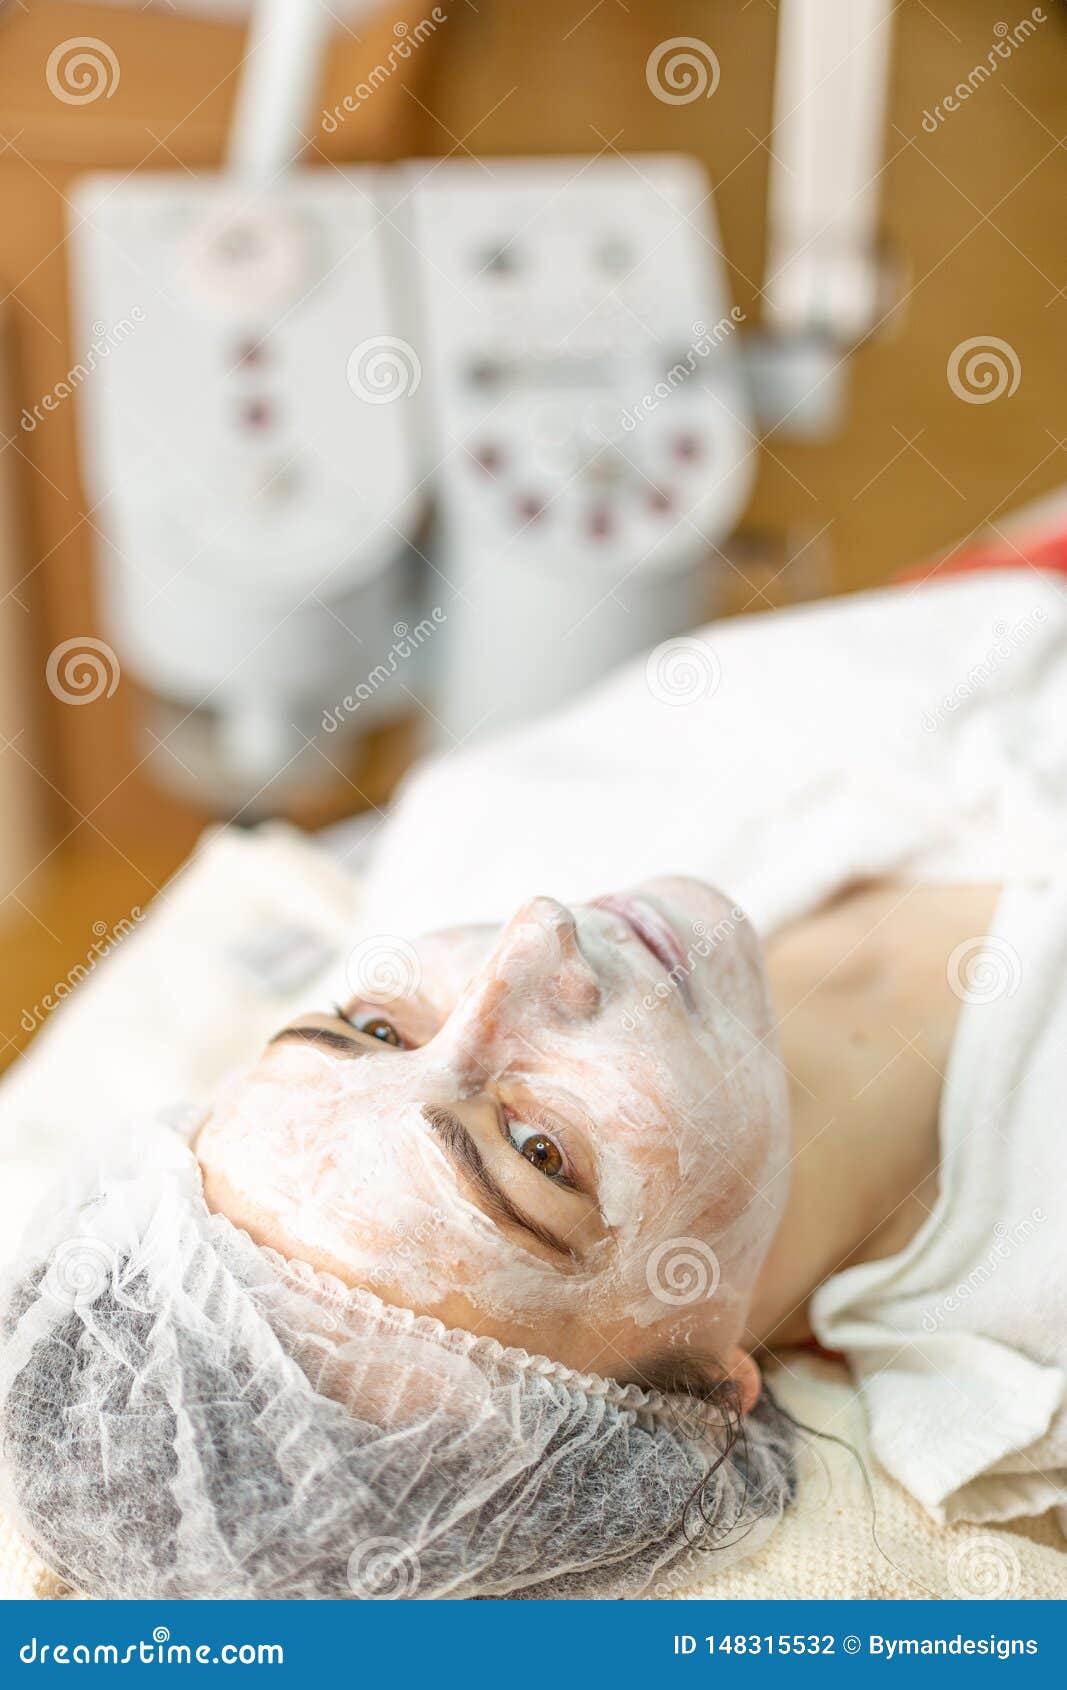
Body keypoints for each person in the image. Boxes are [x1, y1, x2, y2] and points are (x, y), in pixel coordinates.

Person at [2, 568, 1065, 1598]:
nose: (532, 935)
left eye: (371, 1027)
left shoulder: (479, 827)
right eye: (535, 1151)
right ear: (701, 1396)